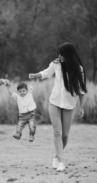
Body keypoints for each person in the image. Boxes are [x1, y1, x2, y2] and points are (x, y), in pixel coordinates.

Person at [29, 42, 87, 172]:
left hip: (69, 105)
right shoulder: (56, 64)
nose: (59, 56)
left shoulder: (79, 69)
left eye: (61, 54)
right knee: (57, 132)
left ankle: (56, 156)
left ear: (68, 55)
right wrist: (36, 75)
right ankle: (61, 161)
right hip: (54, 102)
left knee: (65, 135)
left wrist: (81, 107)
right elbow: (46, 73)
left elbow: (82, 91)